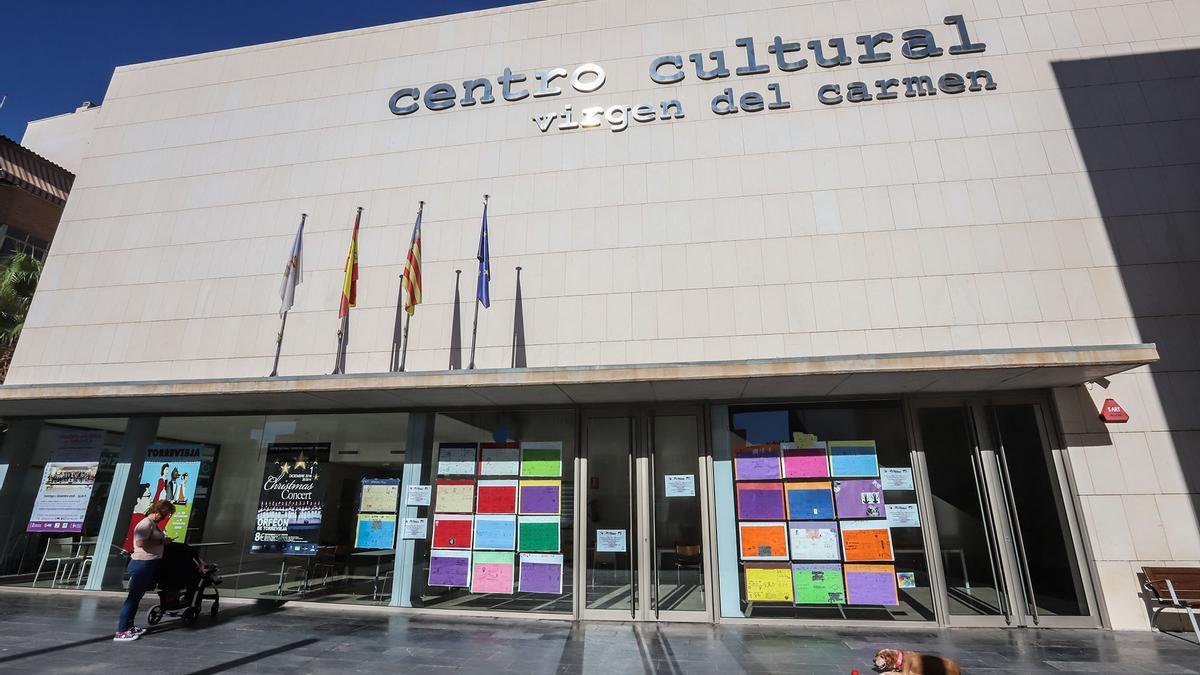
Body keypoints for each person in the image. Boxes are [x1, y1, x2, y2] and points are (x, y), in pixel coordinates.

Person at [114, 499, 175, 642]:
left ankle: (129, 626)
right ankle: (122, 630)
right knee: (133, 598)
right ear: (159, 511)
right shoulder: (145, 524)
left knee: (137, 597)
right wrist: (162, 541)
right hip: (142, 563)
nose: (165, 517)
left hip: (148, 563)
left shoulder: (152, 524)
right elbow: (140, 542)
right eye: (165, 514)